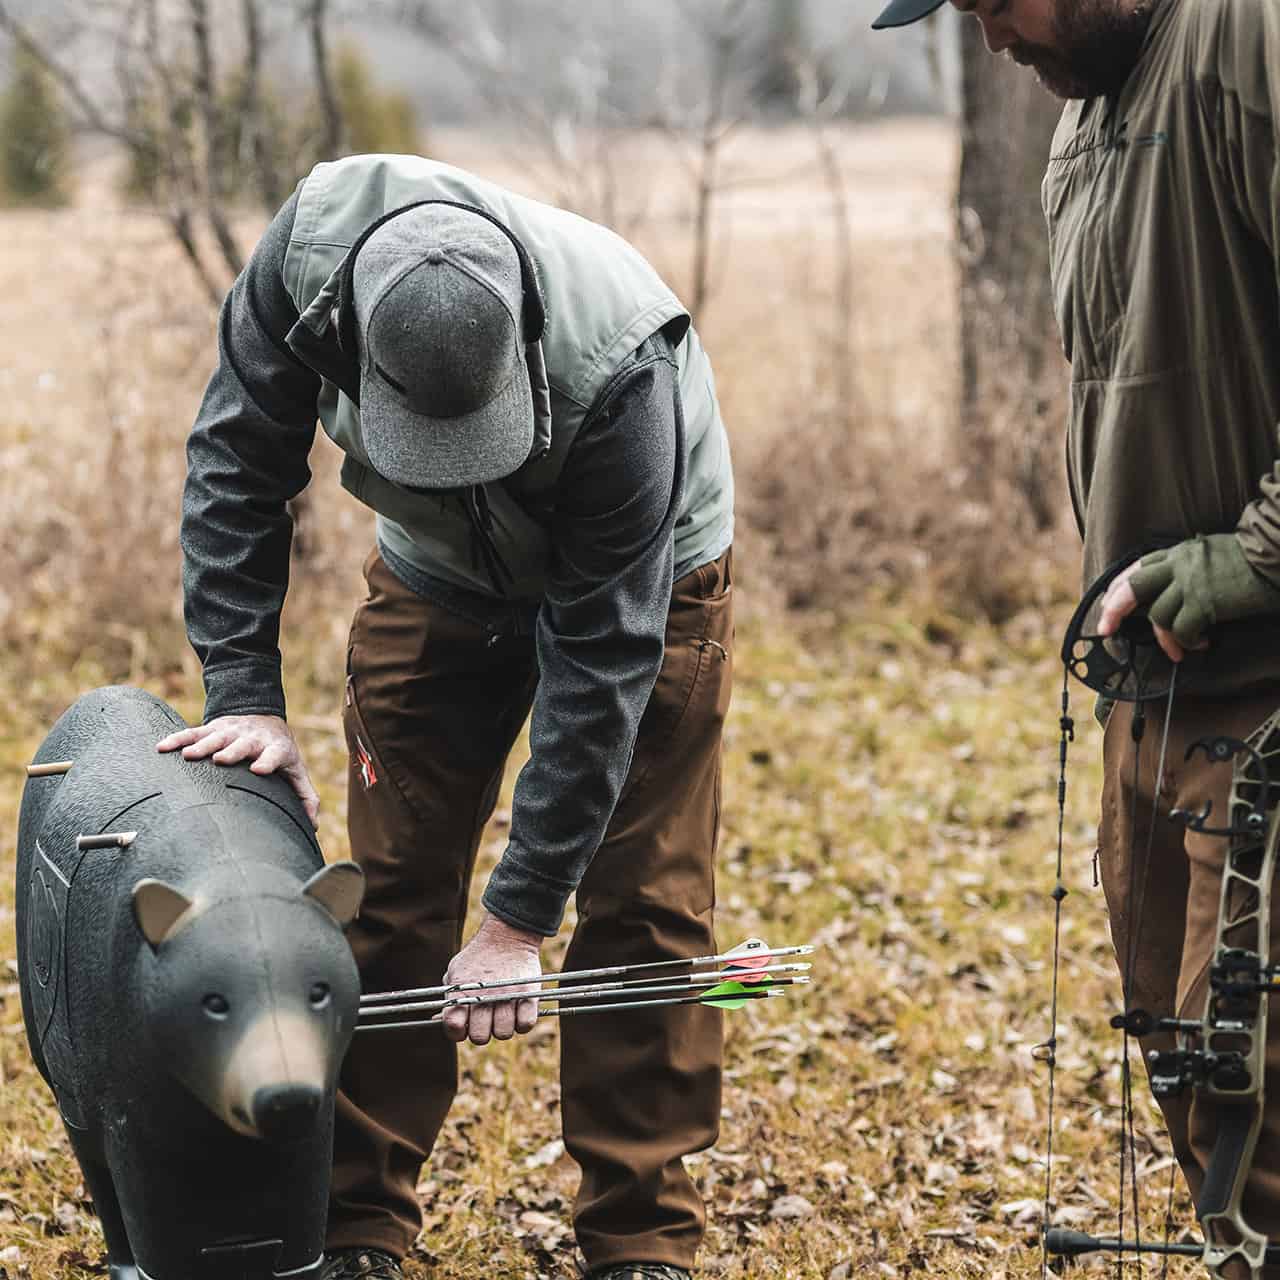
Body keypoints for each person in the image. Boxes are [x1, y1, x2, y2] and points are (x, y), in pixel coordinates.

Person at [159, 153, 735, 1280]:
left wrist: (518, 918)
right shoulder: (303, 270)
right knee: (385, 896)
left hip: (653, 583)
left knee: (644, 908)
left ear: (522, 341)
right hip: (432, 575)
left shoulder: (622, 369)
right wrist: (244, 692)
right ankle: (359, 1221)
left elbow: (605, 651)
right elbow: (236, 460)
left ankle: (639, 1236)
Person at [875, 0, 1280, 1265]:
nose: (991, 39)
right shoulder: (1080, 109)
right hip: (1152, 689)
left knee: (1259, 1075)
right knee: (1192, 1070)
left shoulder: (1243, 41)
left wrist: (1253, 555)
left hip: (1266, 683)